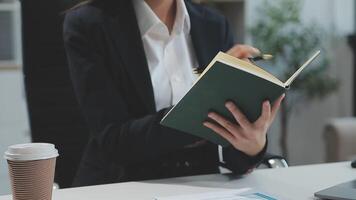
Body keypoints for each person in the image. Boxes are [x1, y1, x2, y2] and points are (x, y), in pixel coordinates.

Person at [63, 0, 285, 187]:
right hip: (122, 185)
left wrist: (251, 145)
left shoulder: (213, 24)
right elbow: (114, 140)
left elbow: (229, 155)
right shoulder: (89, 25)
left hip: (202, 185)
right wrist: (200, 110)